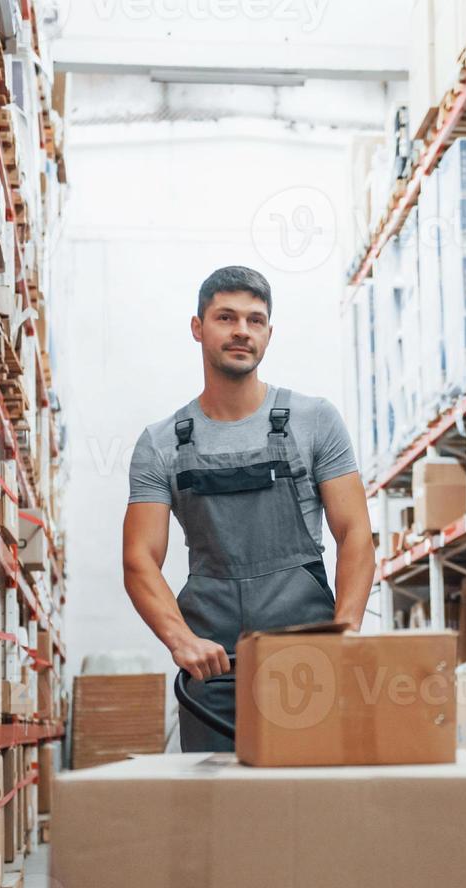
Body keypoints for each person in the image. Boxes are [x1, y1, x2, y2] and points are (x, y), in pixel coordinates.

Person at [122, 265, 375, 751]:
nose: (242, 331)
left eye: (255, 320)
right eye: (226, 317)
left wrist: (347, 628)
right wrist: (180, 640)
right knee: (217, 809)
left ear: (269, 333)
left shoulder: (314, 420)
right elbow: (139, 559)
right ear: (198, 328)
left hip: (309, 656)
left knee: (311, 805)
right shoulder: (159, 444)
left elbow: (355, 533)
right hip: (212, 662)